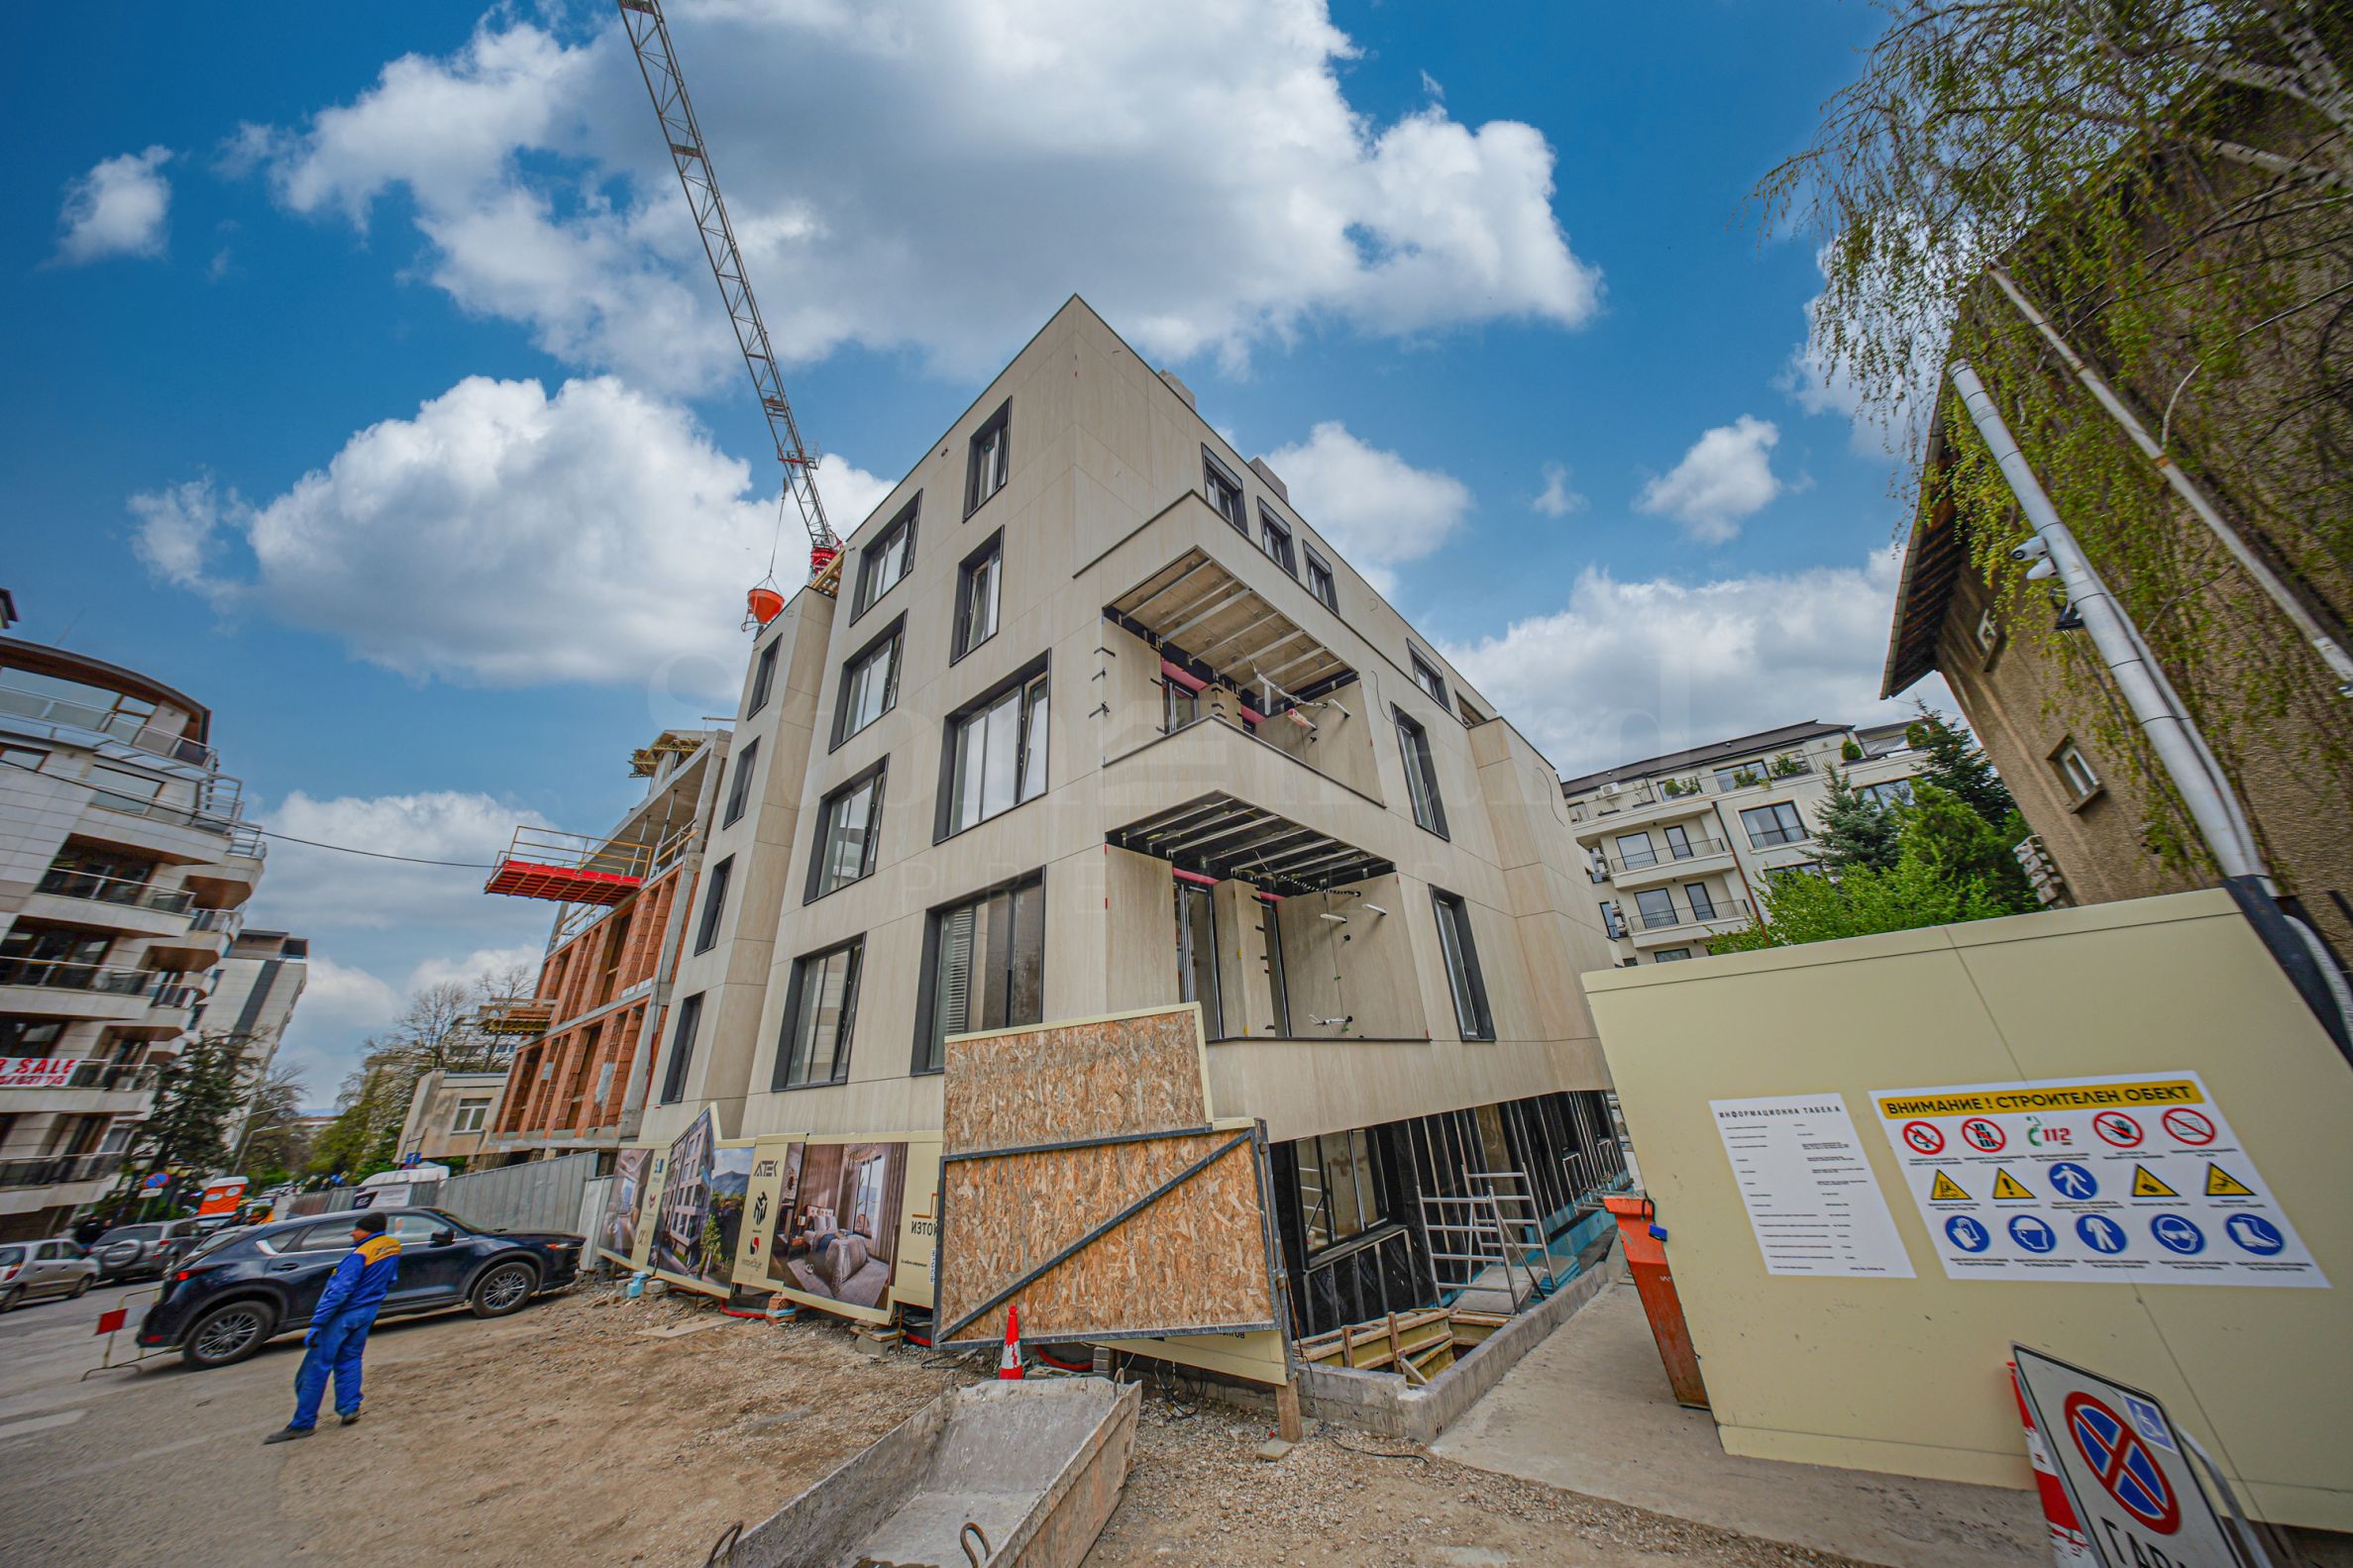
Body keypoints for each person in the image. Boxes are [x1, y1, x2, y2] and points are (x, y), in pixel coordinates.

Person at [264, 1212, 401, 1444]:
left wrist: (318, 1323)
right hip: (367, 1312)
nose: (352, 1233)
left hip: (342, 1315)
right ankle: (349, 1407)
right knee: (350, 1359)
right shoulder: (392, 1247)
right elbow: (391, 1280)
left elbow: (339, 1291)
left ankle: (303, 1423)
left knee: (316, 1367)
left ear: (368, 1230)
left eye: (357, 1229)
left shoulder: (359, 1254)